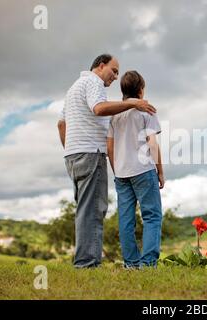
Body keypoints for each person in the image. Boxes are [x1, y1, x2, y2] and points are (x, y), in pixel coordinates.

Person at [57, 54, 156, 269]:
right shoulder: (94, 83)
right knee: (94, 209)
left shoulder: (73, 88)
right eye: (113, 70)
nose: (115, 77)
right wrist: (134, 103)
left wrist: (71, 148)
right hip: (91, 153)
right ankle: (88, 264)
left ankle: (85, 261)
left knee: (84, 209)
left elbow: (61, 125)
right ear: (101, 66)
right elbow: (99, 109)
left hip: (73, 155)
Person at [107, 70, 164, 269]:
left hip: (122, 173)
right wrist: (160, 171)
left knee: (126, 219)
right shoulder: (146, 111)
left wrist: (117, 171)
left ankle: (130, 263)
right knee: (152, 216)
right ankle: (148, 264)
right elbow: (153, 144)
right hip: (143, 170)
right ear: (140, 90)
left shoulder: (115, 115)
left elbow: (110, 147)